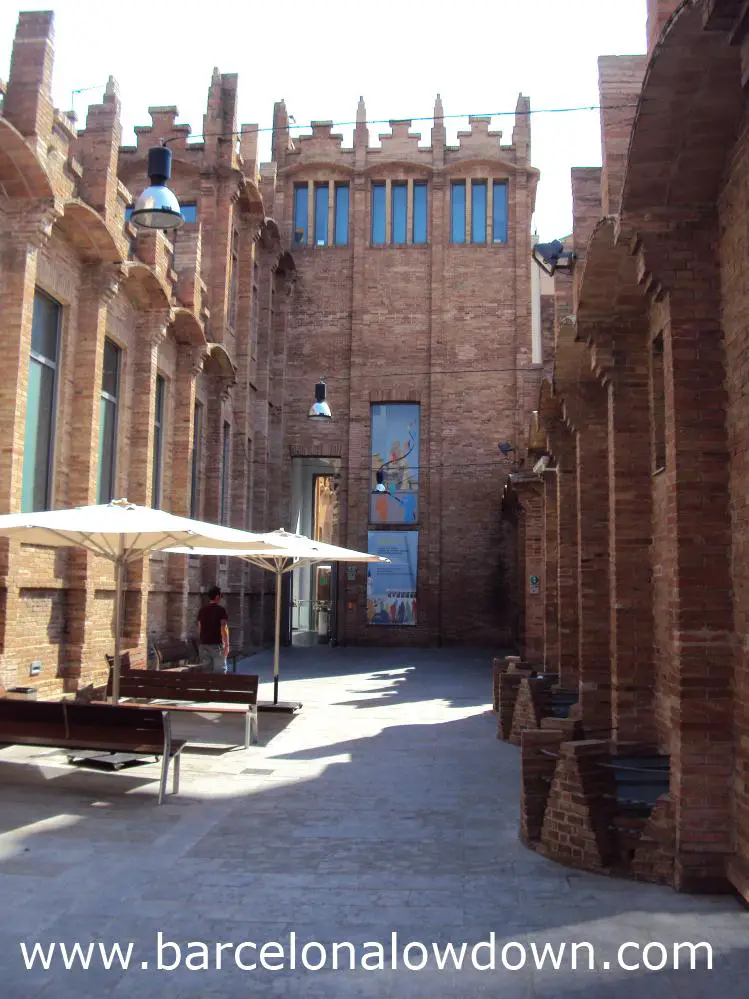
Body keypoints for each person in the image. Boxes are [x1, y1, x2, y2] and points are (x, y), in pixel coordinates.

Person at [196, 585, 229, 673]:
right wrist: (226, 645)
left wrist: (202, 640)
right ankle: (218, 687)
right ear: (217, 597)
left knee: (207, 673)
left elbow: (200, 627)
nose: (221, 598)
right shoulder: (221, 610)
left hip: (203, 645)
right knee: (219, 672)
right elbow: (223, 628)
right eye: (221, 596)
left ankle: (208, 687)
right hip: (216, 645)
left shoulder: (202, 610)